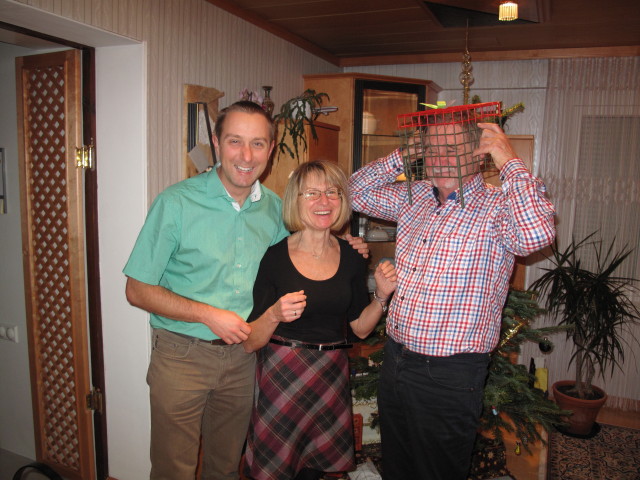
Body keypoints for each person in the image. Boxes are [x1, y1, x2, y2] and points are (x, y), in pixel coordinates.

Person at [123, 101, 368, 480]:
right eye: (235, 141)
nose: (246, 155)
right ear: (217, 143)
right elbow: (137, 289)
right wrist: (208, 314)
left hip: (246, 358)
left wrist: (348, 244)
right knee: (174, 469)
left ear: (270, 151)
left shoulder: (275, 211)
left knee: (225, 466)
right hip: (182, 355)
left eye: (258, 143)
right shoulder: (176, 203)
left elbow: (308, 249)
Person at [348, 116, 556, 480]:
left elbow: (536, 235)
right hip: (396, 360)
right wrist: (402, 156)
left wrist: (508, 160)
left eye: (452, 148)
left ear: (478, 152)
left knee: (438, 471)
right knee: (397, 466)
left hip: (451, 373)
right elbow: (353, 193)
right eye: (431, 148)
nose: (440, 157)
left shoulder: (497, 206)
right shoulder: (413, 198)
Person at [242, 161, 397, 480]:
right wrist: (274, 314)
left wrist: (382, 297)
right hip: (282, 375)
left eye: (332, 192)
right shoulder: (274, 257)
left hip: (330, 375)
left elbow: (360, 329)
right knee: (275, 469)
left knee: (315, 471)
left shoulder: (352, 257)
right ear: (295, 201)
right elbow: (250, 342)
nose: (323, 201)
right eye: (311, 193)